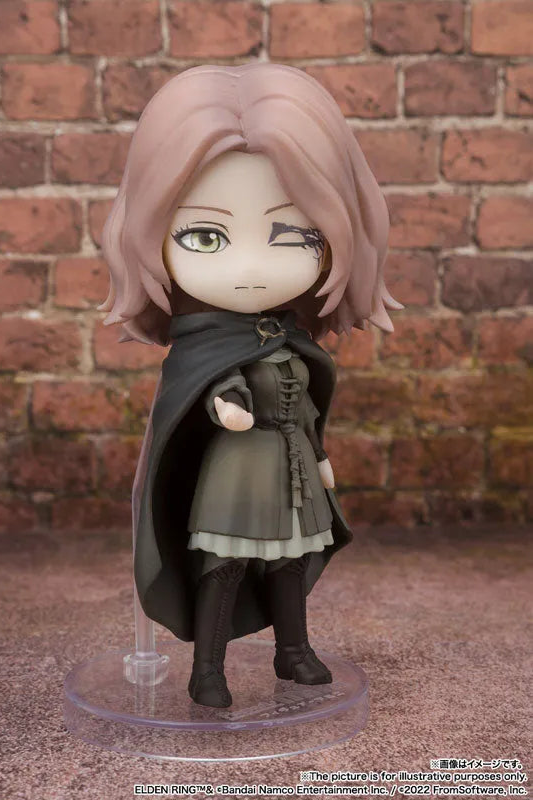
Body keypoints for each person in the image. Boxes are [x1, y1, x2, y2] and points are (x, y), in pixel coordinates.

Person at [99, 63, 403, 708]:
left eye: (291, 233)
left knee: (289, 562)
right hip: (236, 475)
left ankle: (294, 651)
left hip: (293, 470)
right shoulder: (202, 349)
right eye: (205, 236)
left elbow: (308, 409)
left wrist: (319, 456)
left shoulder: (291, 342)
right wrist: (227, 403)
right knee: (225, 565)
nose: (249, 267)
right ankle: (207, 670)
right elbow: (213, 389)